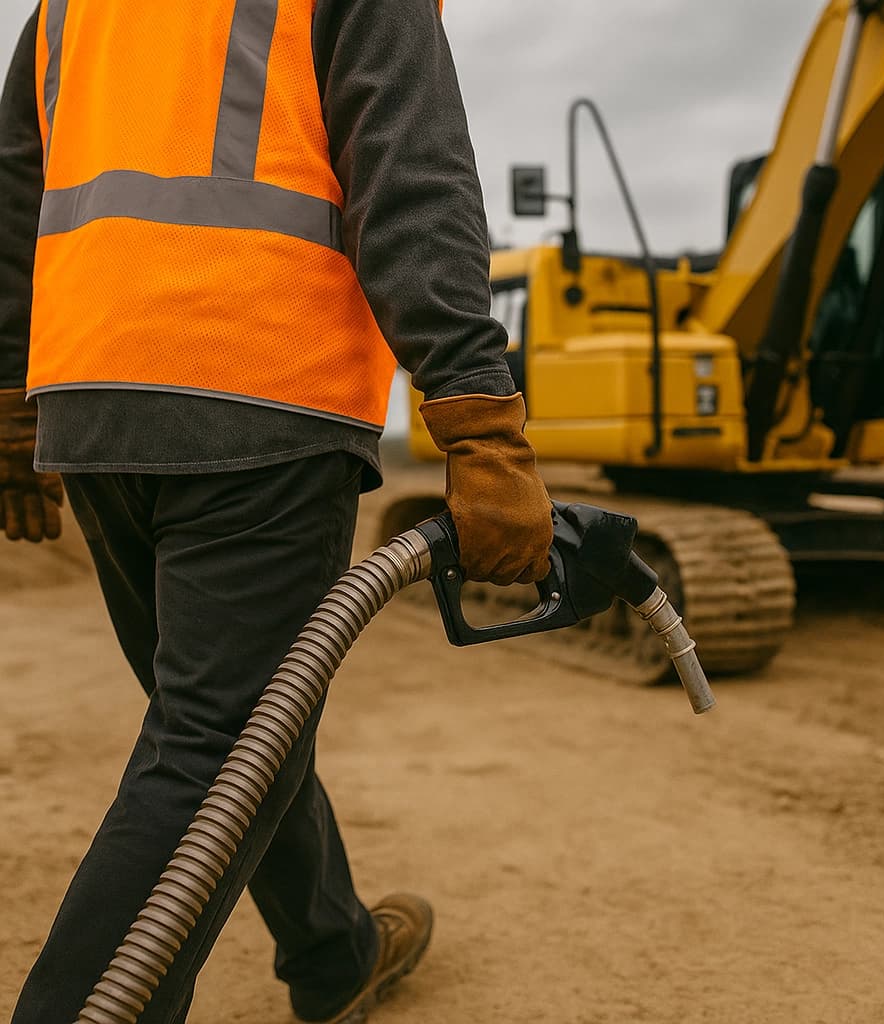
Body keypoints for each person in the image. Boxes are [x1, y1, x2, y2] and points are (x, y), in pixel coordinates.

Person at [0, 1, 553, 1021]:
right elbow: (412, 177)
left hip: (92, 402)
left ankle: (333, 952)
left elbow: (14, 195)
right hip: (258, 385)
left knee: (233, 719)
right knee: (218, 747)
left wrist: (6, 402)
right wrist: (479, 419)